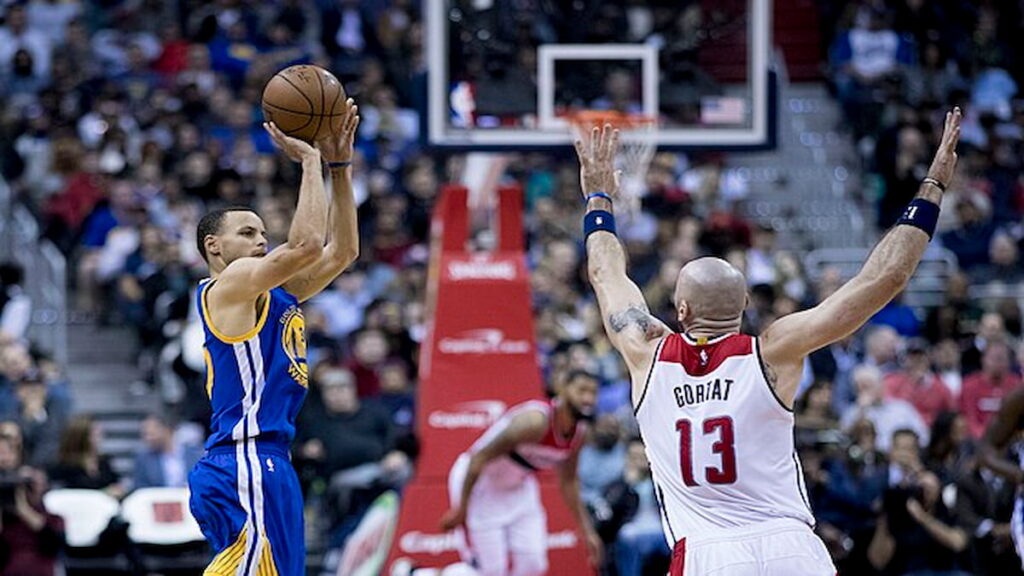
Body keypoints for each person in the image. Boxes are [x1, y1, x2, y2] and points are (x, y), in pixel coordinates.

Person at [575, 108, 960, 575]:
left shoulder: (645, 353)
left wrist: (599, 197)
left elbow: (605, 273)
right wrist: (932, 187)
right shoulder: (773, 351)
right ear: (743, 306)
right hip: (789, 547)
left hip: (710, 553)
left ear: (681, 311)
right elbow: (884, 279)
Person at [187, 102, 360, 576]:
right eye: (247, 233)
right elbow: (306, 246)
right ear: (213, 246)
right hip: (242, 458)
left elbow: (343, 251)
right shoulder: (229, 285)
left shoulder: (273, 294)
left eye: (263, 232)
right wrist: (310, 162)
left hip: (267, 459)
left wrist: (340, 169)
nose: (261, 240)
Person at [439, 370, 604, 576]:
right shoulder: (535, 422)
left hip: (518, 486)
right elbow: (477, 459)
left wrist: (587, 531)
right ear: (562, 389)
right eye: (582, 391)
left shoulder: (580, 433)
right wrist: (462, 509)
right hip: (481, 484)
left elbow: (569, 482)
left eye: (593, 393)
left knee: (534, 565)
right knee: (491, 570)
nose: (588, 398)